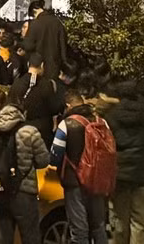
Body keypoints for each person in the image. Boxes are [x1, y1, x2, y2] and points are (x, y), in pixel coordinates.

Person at [56, 87, 116, 244]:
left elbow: (55, 155)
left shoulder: (66, 124)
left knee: (79, 229)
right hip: (98, 180)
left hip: (74, 182)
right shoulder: (101, 122)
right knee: (98, 226)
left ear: (68, 105)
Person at [0, 101, 48, 244]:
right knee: (30, 236)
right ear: (22, 114)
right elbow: (43, 160)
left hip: (1, 191)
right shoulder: (30, 132)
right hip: (24, 192)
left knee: (4, 236)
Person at [107, 79, 144, 244]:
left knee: (120, 220)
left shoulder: (111, 116)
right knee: (141, 221)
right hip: (143, 172)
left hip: (119, 174)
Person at [27, 0, 67, 80]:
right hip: (54, 65)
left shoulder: (35, 24)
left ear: (34, 11)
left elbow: (28, 45)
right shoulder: (57, 22)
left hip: (38, 66)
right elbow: (63, 45)